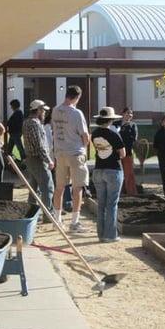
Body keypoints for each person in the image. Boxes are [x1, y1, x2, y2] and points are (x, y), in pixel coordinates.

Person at [51, 86, 90, 233]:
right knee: (77, 188)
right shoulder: (77, 113)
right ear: (77, 97)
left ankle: (57, 220)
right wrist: (85, 145)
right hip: (75, 153)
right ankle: (74, 222)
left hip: (60, 153)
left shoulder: (55, 110)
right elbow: (85, 136)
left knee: (59, 187)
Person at [91, 107, 126, 243]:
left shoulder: (94, 133)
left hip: (98, 169)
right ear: (111, 120)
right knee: (112, 204)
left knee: (101, 204)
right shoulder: (113, 134)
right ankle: (110, 235)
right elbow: (122, 154)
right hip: (113, 170)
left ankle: (101, 234)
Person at [22, 99, 54, 221]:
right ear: (38, 110)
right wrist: (49, 160)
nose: (45, 113)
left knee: (33, 190)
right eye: (43, 111)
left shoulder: (27, 122)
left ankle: (30, 215)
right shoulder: (34, 123)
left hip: (31, 159)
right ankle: (48, 215)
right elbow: (39, 145)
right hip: (38, 160)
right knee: (47, 187)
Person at [113, 107, 138, 195]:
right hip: (116, 154)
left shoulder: (133, 125)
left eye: (131, 114)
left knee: (129, 174)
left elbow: (134, 139)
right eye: (127, 113)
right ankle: (118, 192)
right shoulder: (116, 124)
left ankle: (131, 193)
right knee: (117, 173)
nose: (129, 115)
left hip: (127, 153)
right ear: (122, 114)